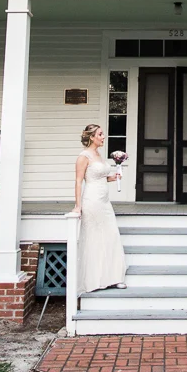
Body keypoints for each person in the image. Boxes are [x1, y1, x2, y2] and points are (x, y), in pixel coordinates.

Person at [72, 123, 126, 292]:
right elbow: (79, 181)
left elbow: (100, 176)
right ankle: (94, 280)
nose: (103, 137)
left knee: (110, 236)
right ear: (91, 137)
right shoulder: (84, 156)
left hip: (104, 202)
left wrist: (113, 177)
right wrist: (78, 206)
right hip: (92, 201)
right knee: (95, 239)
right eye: (100, 134)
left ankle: (113, 277)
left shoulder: (99, 154)